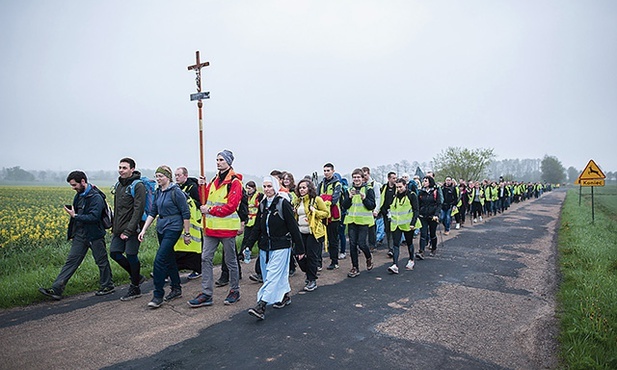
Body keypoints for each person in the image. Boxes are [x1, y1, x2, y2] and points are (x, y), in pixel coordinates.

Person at [39, 171, 114, 300]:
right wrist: (73, 232)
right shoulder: (79, 195)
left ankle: (107, 285)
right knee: (71, 262)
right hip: (80, 235)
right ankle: (56, 289)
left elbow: (94, 217)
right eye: (71, 185)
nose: (73, 187)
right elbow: (75, 215)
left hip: (94, 235)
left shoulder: (96, 197)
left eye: (74, 185)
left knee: (101, 261)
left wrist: (76, 216)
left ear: (83, 182)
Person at [188, 150, 243, 308]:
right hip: (211, 229)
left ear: (228, 162)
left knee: (230, 261)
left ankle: (234, 290)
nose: (218, 162)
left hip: (226, 229)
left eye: (221, 160)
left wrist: (210, 211)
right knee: (205, 259)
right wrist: (201, 186)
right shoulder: (214, 180)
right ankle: (206, 293)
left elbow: (231, 207)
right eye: (217, 159)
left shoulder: (234, 182)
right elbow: (205, 199)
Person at [245, 176, 305, 320]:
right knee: (271, 276)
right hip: (265, 247)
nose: (267, 189)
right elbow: (257, 227)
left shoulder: (283, 204)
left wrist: (300, 248)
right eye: (265, 187)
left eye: (269, 186)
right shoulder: (263, 204)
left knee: (272, 276)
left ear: (275, 187)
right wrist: (248, 244)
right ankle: (284, 296)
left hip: (281, 246)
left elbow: (293, 227)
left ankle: (261, 305)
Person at [138, 166, 191, 309]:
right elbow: (153, 212)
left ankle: (158, 295)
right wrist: (143, 230)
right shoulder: (158, 192)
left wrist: (187, 233)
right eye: (156, 176)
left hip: (173, 227)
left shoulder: (176, 192)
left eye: (161, 176)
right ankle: (176, 288)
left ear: (168, 177)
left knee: (159, 260)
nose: (158, 178)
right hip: (161, 227)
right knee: (169, 258)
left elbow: (185, 213)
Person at [110, 158, 147, 301]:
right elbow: (118, 209)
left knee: (131, 255)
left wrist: (129, 231)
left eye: (124, 168)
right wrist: (115, 227)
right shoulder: (119, 185)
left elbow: (138, 210)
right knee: (114, 253)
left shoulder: (138, 186)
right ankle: (137, 276)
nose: (121, 170)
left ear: (132, 169)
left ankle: (135, 287)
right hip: (119, 228)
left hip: (133, 228)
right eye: (120, 167)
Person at [293, 179, 330, 292]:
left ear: (309, 188)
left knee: (311, 255)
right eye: (300, 188)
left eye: (304, 187)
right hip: (300, 231)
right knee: (298, 254)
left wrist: (315, 212)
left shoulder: (317, 200)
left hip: (313, 232)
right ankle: (308, 272)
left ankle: (312, 279)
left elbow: (326, 213)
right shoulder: (298, 201)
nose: (302, 190)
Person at [341, 168, 376, 278]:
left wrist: (364, 198)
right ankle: (355, 267)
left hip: (364, 221)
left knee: (362, 243)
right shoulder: (349, 190)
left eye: (358, 177)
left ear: (362, 178)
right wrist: (350, 198)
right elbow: (344, 205)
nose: (356, 179)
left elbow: (372, 205)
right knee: (352, 244)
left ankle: (368, 257)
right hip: (352, 220)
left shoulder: (368, 189)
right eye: (354, 177)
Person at [174, 167, 202, 280]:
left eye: (179, 175)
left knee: (194, 248)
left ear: (185, 176)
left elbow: (199, 202)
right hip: (180, 220)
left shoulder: (193, 187)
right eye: (175, 175)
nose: (176, 177)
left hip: (193, 221)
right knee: (178, 246)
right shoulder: (176, 187)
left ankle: (197, 269)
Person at [387, 178, 419, 274]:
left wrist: (413, 223)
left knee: (409, 242)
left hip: (408, 224)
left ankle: (411, 260)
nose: (399, 189)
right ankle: (395, 264)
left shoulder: (412, 195)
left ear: (405, 185)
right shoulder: (395, 196)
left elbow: (416, 210)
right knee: (396, 244)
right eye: (397, 187)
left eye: (400, 187)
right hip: (396, 224)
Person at [317, 163, 342, 270]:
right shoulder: (321, 184)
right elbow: (317, 198)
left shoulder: (337, 184)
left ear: (333, 171)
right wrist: (325, 199)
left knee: (333, 240)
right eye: (325, 171)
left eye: (328, 170)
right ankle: (318, 263)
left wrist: (324, 198)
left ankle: (334, 261)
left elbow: (334, 199)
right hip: (322, 215)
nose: (326, 173)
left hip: (333, 216)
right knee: (319, 239)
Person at [417, 176, 442, 258]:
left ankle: (433, 248)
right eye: (423, 181)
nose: (424, 182)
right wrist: (418, 212)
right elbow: (418, 203)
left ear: (430, 182)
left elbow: (438, 204)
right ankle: (421, 251)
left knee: (432, 233)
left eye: (426, 181)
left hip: (432, 215)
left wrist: (436, 214)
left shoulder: (435, 192)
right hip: (423, 215)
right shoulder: (421, 192)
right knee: (423, 233)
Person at [362, 167, 381, 251]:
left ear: (369, 174)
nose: (364, 177)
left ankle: (372, 245)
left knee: (371, 228)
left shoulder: (374, 184)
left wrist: (376, 209)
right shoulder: (360, 183)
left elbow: (377, 197)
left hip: (371, 208)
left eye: (365, 175)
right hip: (362, 209)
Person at [379, 172, 397, 257]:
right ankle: (390, 248)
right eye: (393, 178)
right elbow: (381, 198)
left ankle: (393, 248)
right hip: (386, 212)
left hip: (396, 212)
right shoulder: (384, 187)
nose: (395, 180)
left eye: (395, 178)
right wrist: (382, 209)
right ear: (389, 178)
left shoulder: (397, 188)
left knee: (394, 230)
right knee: (388, 230)